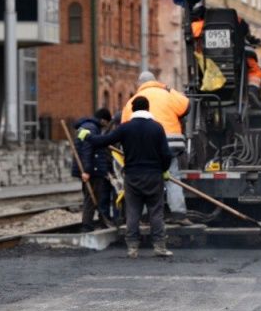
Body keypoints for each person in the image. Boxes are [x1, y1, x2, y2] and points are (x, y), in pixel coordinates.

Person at [90, 96, 173, 258]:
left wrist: (86, 136)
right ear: (148, 109)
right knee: (156, 212)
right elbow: (166, 154)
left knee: (133, 211)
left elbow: (103, 141)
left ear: (133, 109)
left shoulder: (125, 128)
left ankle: (132, 248)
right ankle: (160, 247)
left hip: (133, 177)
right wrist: (164, 169)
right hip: (153, 176)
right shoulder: (157, 128)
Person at [120, 71, 191, 225]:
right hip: (171, 143)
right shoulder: (168, 94)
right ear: (155, 81)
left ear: (140, 84)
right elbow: (186, 106)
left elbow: (125, 126)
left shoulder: (132, 101)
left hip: (145, 148)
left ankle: (145, 217)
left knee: (144, 180)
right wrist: (168, 88)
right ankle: (179, 214)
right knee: (172, 178)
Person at [73, 108, 114, 231]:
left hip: (93, 168)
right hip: (93, 170)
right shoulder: (91, 128)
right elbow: (87, 149)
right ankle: (87, 226)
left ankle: (94, 223)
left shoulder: (90, 126)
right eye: (107, 123)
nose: (106, 126)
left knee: (94, 197)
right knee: (91, 198)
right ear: (102, 120)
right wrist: (87, 170)